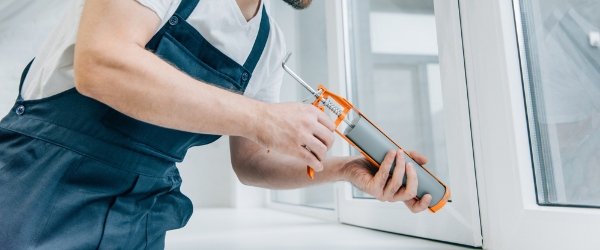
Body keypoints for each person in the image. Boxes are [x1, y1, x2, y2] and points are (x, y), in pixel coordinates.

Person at [0, 0, 432, 248]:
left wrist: (344, 170)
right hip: (42, 188)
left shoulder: (267, 42)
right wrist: (262, 117)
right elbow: (100, 65)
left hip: (138, 216)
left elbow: (250, 163)